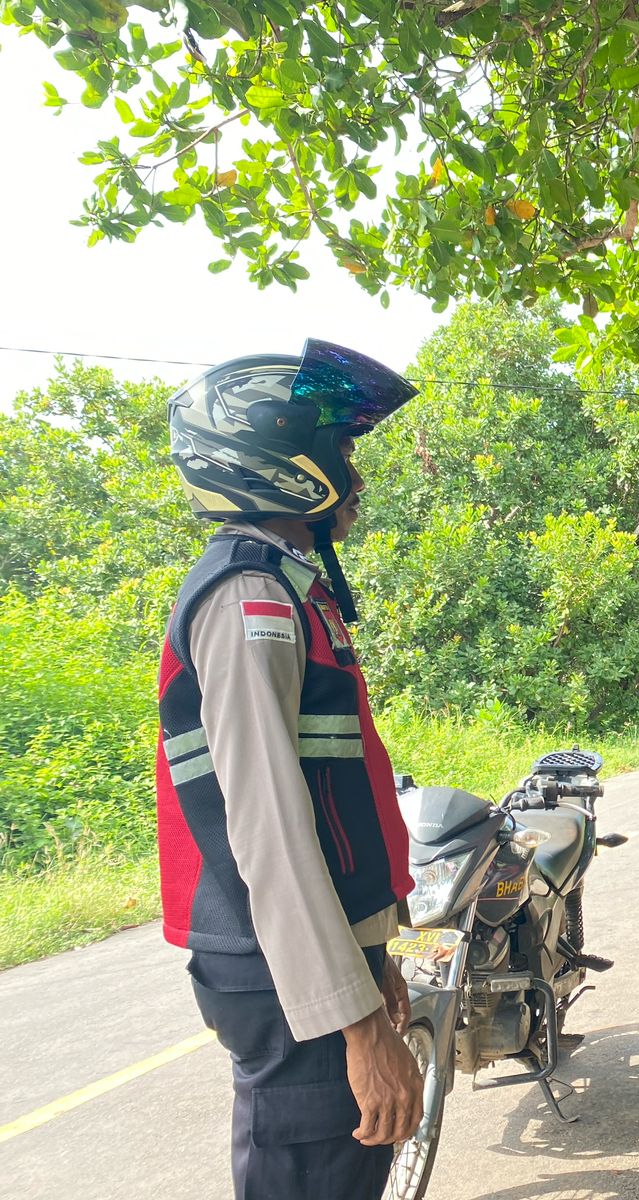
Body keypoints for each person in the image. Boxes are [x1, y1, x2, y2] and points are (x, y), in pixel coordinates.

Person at [156, 340, 423, 1199]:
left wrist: (373, 957)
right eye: (340, 449)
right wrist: (353, 1022)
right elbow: (268, 827)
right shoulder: (250, 598)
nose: (355, 474)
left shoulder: (288, 587)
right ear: (280, 455)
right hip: (284, 981)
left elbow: (325, 798)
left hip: (306, 962)